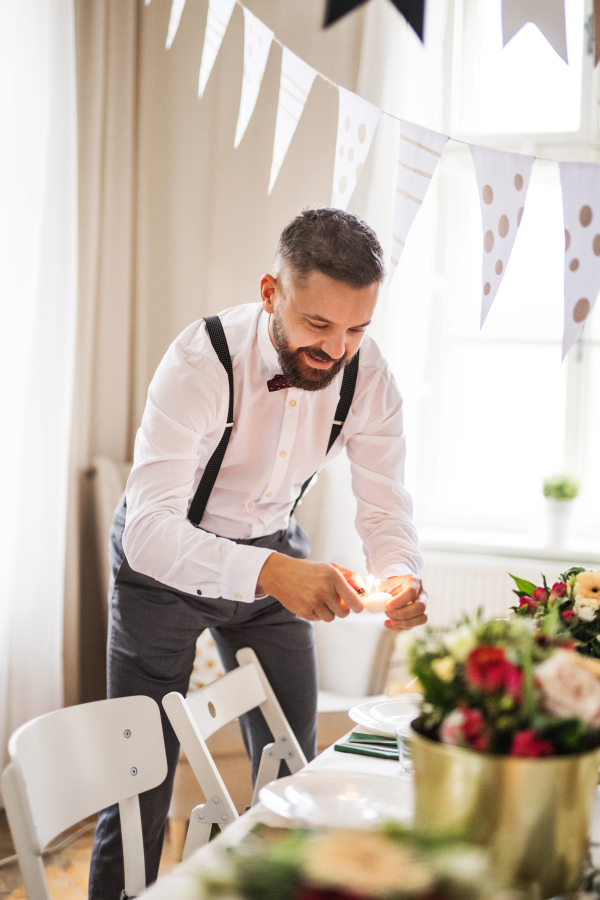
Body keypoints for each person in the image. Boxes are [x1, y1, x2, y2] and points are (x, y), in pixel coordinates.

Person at [88, 207, 426, 899]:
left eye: (357, 329)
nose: (336, 351)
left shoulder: (369, 377)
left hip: (274, 552)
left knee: (295, 773)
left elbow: (386, 505)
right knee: (138, 792)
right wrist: (273, 573)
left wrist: (402, 573)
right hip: (165, 570)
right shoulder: (200, 359)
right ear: (271, 292)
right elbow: (149, 531)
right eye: (318, 325)